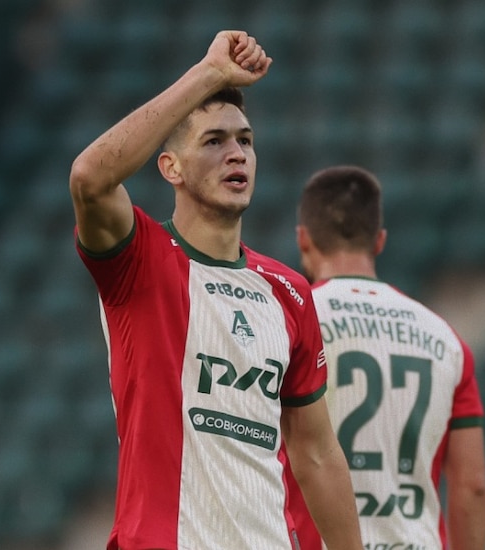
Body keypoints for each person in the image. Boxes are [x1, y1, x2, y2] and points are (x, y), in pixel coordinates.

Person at [69, 31, 363, 550]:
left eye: (245, 141)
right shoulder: (141, 260)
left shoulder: (289, 292)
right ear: (171, 168)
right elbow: (90, 179)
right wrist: (210, 72)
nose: (237, 155)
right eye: (214, 141)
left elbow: (316, 455)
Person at [295, 165, 485, 550]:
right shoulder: (446, 340)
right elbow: (472, 487)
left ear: (304, 240)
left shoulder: (291, 322)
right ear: (380, 241)